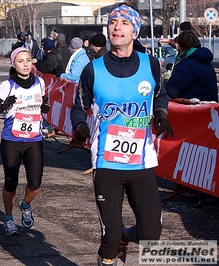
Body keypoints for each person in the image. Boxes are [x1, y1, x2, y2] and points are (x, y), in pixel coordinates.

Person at [70, 4, 174, 265]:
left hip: (141, 162)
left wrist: (161, 111)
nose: (117, 26)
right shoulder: (93, 69)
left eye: (124, 23)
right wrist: (80, 124)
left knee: (151, 233)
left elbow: (160, 93)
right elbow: (78, 106)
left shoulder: (150, 65)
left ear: (135, 31)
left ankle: (127, 238)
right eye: (113, 21)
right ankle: (111, 251)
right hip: (107, 162)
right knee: (110, 237)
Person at [0, 47, 50, 236]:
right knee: (10, 182)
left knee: (35, 184)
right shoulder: (8, 85)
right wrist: (5, 105)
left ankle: (25, 204)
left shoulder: (40, 82)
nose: (25, 64)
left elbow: (42, 105)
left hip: (34, 140)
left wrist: (44, 107)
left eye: (28, 60)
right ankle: (8, 218)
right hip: (11, 141)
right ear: (14, 64)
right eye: (21, 61)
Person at [165, 30, 218, 103]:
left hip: (191, 109)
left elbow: (172, 90)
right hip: (210, 109)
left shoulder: (186, 65)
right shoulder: (206, 62)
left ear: (181, 46)